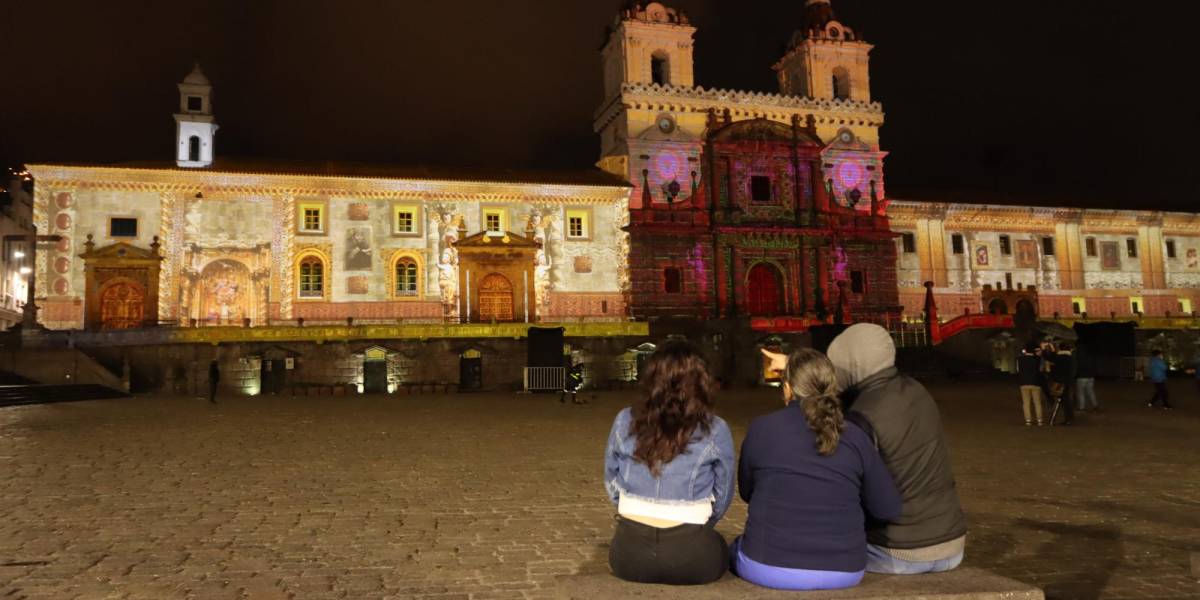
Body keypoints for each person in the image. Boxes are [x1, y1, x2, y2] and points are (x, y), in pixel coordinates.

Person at [733, 349, 901, 591]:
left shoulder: (762, 428)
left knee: (733, 549)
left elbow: (747, 492)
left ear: (788, 388)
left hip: (768, 565)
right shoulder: (854, 435)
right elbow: (887, 507)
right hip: (844, 569)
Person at [825, 324, 968, 574]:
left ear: (852, 364)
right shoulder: (916, 389)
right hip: (953, 543)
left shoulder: (862, 417)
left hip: (900, 551)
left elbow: (854, 495)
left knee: (808, 551)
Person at [603, 341, 735, 585]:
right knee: (723, 546)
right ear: (702, 382)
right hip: (692, 559)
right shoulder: (715, 429)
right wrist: (701, 525)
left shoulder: (624, 420)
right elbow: (723, 492)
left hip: (629, 557)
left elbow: (612, 480)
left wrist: (633, 511)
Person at [1045, 342, 1076, 425]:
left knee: (1062, 400)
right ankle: (1069, 418)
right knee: (1067, 400)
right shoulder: (1071, 358)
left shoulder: (1059, 357)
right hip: (1069, 381)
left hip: (1059, 382)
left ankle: (1063, 419)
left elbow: (1048, 357)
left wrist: (1049, 348)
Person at [1017, 343, 1046, 426]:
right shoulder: (1037, 359)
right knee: (1037, 402)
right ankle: (1039, 419)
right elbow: (1041, 368)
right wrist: (1041, 350)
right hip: (1035, 382)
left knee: (1026, 402)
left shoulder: (1020, 359)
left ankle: (1028, 420)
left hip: (1024, 382)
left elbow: (1018, 370)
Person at [1074, 343, 1099, 413]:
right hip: (1090, 376)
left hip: (1082, 377)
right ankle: (1095, 405)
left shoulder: (1078, 357)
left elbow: (1076, 367)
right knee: (1091, 391)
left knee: (1081, 392)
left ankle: (1082, 407)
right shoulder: (1090, 356)